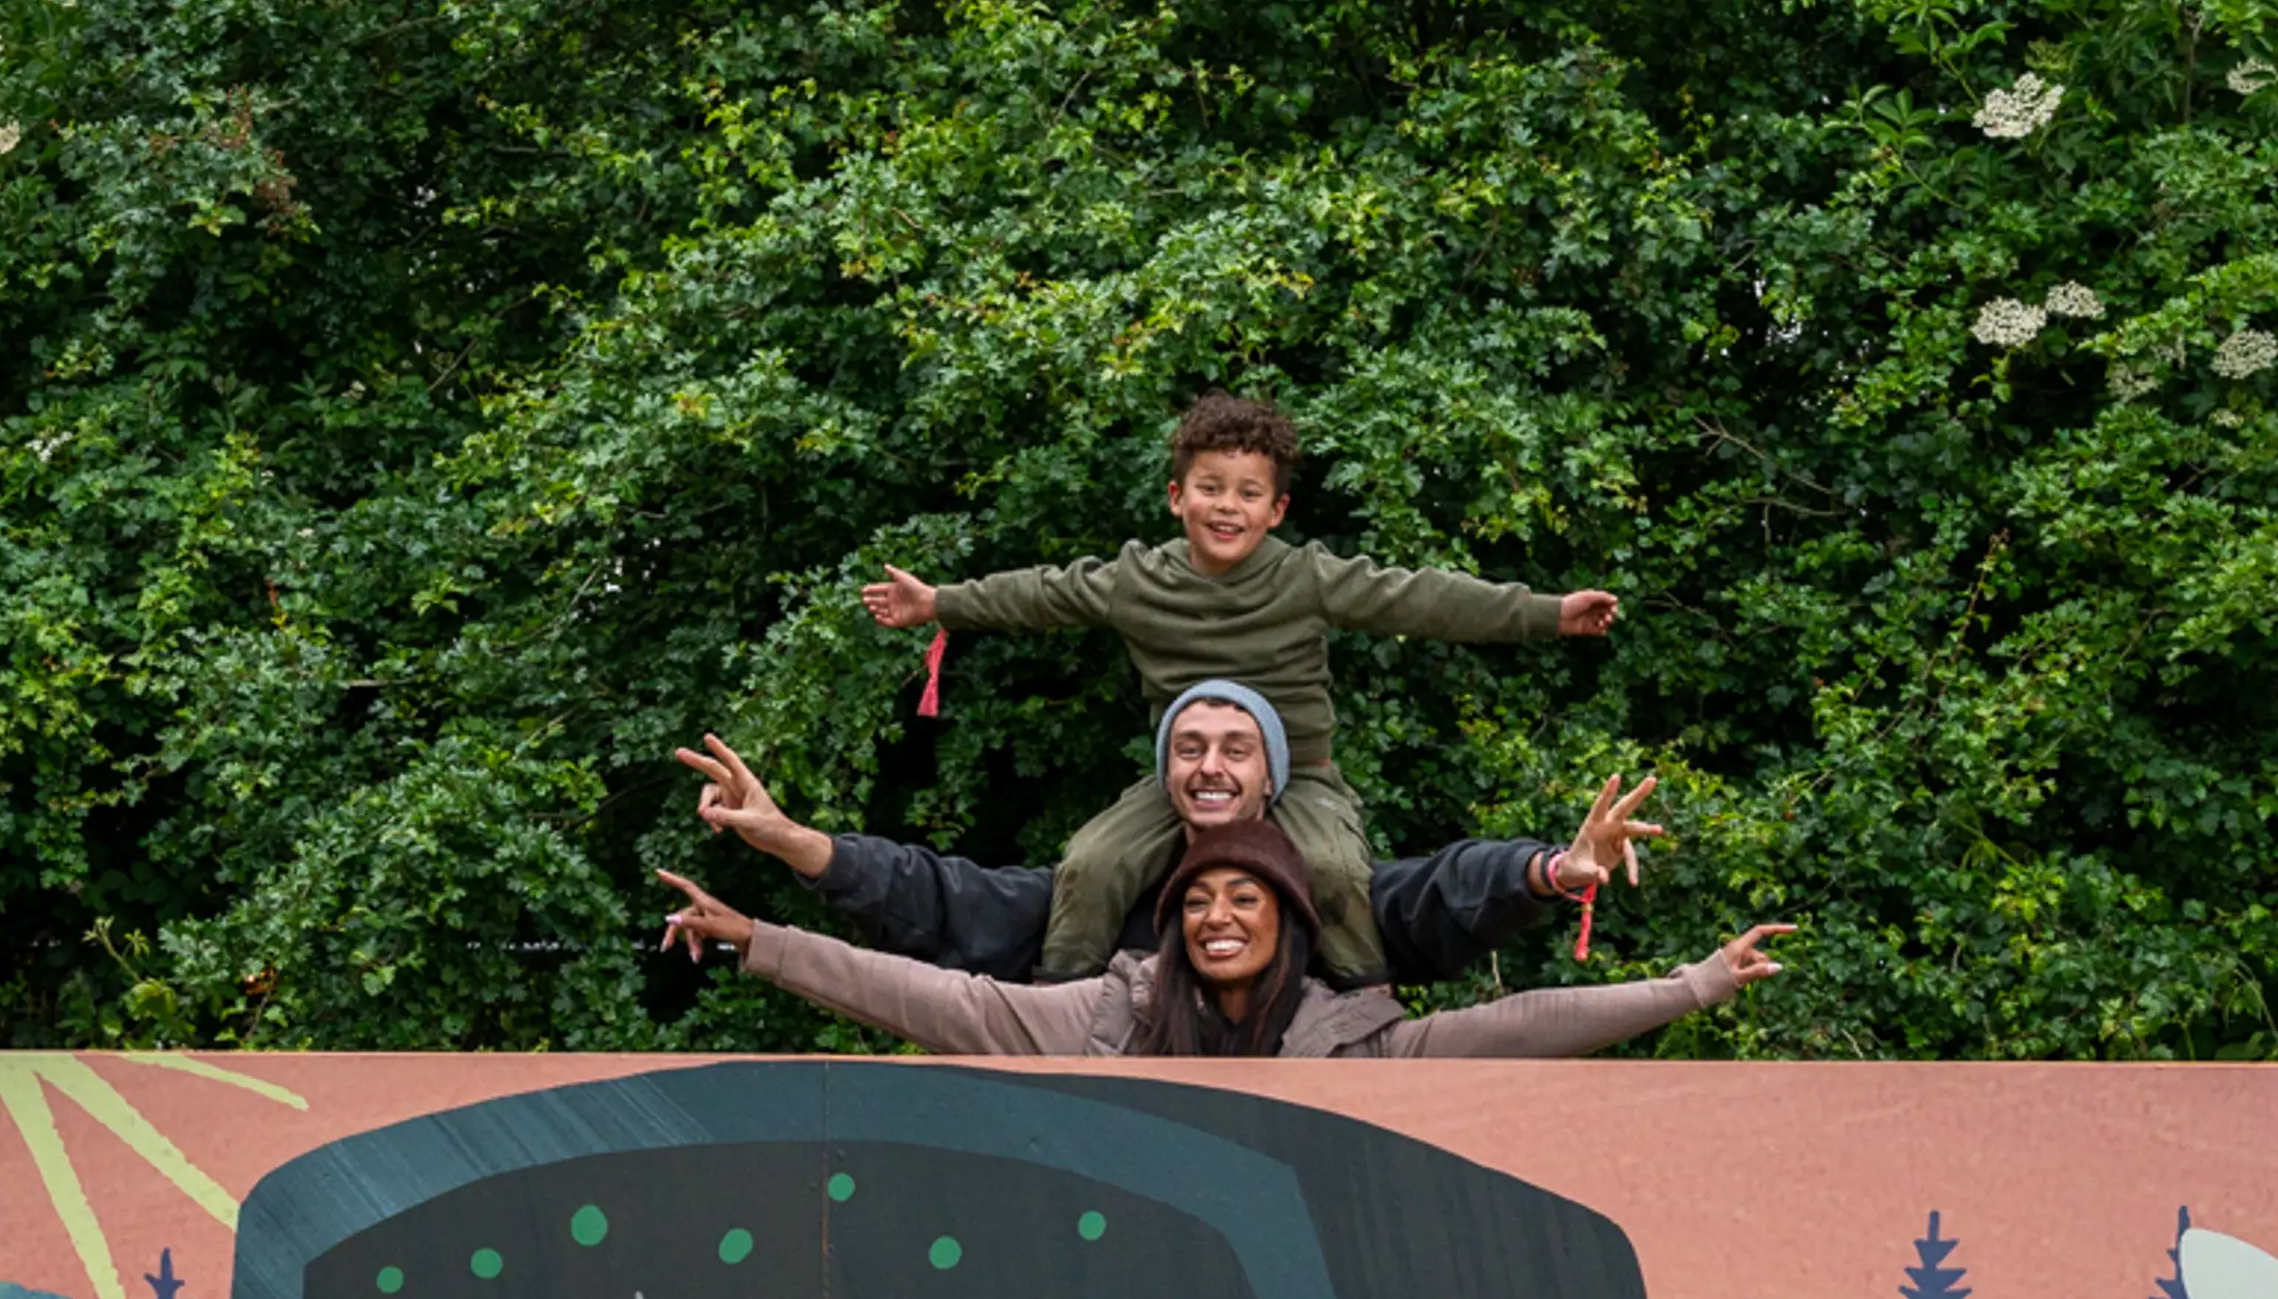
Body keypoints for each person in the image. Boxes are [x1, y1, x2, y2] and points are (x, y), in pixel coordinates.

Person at [859, 391, 1617, 981]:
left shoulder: (1304, 576)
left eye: (1249, 493)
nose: (1228, 507)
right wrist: (940, 603)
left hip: (1301, 781)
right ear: (1175, 496)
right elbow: (1040, 594)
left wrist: (1548, 614)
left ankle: (1363, 1004)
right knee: (1089, 866)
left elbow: (1422, 599)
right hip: (1185, 780)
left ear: (1277, 508)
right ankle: (1065, 1020)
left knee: (1332, 871)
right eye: (1211, 488)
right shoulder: (1138, 580)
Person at [672, 686, 1661, 989]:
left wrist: (1555, 869)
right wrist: (800, 843)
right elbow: (942, 902)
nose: (1211, 764)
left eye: (1236, 747)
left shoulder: (1333, 893)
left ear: (1274, 776)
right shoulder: (1110, 904)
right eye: (1189, 747)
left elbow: (1441, 891)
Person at [654, 816, 1782, 1059]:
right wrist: (762, 937)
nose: (1219, 915)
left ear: (1290, 921)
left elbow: (1517, 1023)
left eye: (1248, 899)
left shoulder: (1350, 1039)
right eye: (1199, 899)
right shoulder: (1112, 1008)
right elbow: (927, 996)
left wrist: (1687, 984)